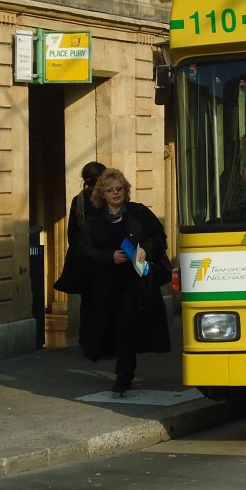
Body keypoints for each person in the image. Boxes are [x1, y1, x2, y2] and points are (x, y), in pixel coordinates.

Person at [76, 168, 171, 395]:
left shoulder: (138, 213)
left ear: (125, 191)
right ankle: (125, 370)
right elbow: (84, 249)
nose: (116, 193)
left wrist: (145, 250)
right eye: (110, 190)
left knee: (126, 325)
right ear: (102, 195)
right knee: (115, 328)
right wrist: (109, 256)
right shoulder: (94, 219)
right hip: (107, 285)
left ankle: (123, 374)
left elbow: (160, 237)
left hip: (136, 283)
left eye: (119, 188)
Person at [54, 162, 105, 321]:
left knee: (87, 303)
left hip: (82, 260)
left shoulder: (78, 200)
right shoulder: (105, 199)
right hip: (103, 259)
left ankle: (86, 338)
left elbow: (72, 232)